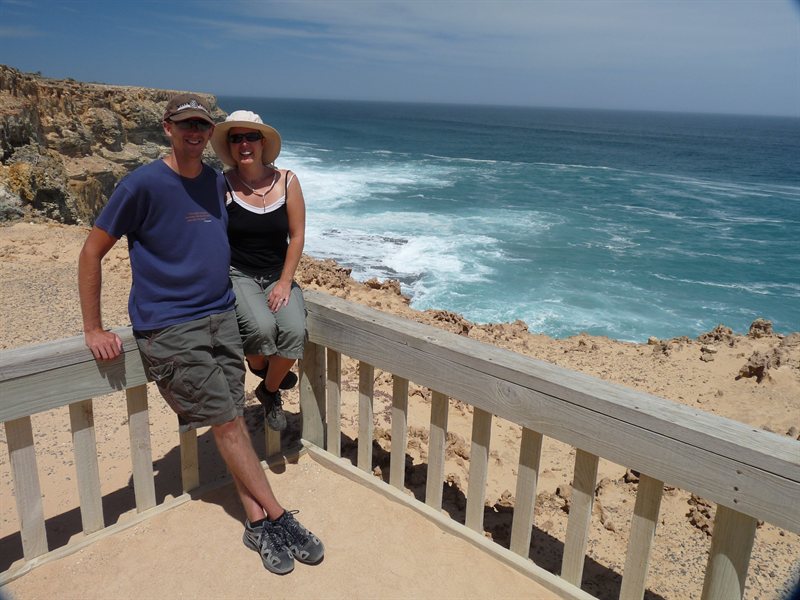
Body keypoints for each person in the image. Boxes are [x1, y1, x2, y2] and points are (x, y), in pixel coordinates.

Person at [77, 93, 323, 575]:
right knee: (229, 423)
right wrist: (92, 327)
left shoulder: (215, 183)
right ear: (167, 128)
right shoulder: (142, 184)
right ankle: (278, 515)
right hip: (170, 326)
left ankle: (254, 523)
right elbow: (91, 253)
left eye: (201, 126)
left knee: (227, 415)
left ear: (209, 134)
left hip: (221, 316)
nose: (194, 133)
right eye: (185, 125)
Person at [210, 110, 307, 433]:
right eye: (236, 138)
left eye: (251, 136)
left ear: (263, 142)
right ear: (230, 146)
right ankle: (267, 373)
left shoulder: (288, 180)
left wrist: (285, 282)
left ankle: (268, 390)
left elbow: (298, 235)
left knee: (293, 330)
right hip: (239, 274)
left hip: (278, 273)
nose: (244, 144)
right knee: (262, 330)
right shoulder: (222, 184)